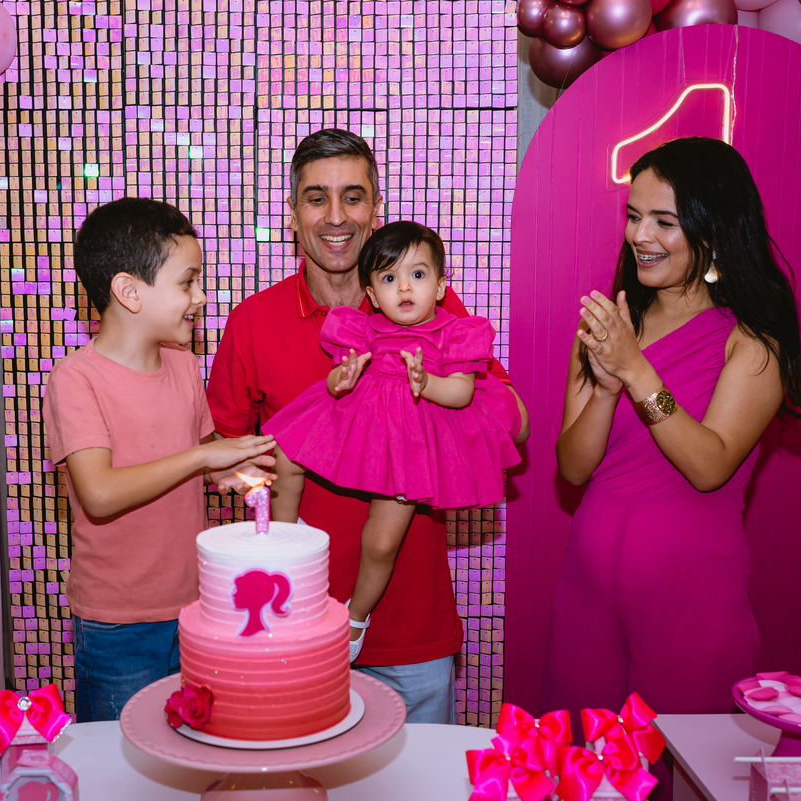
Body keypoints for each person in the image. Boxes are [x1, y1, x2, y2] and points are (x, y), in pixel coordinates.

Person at [207, 129, 529, 722]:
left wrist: (438, 393)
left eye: (353, 197)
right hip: (292, 624)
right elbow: (220, 447)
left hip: (410, 636)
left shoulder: (433, 313)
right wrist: (247, 471)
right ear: (292, 212)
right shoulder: (253, 321)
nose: (336, 216)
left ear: (375, 206)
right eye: (316, 198)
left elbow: (514, 422)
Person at [543, 137, 801, 725]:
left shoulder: (752, 338)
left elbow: (709, 464)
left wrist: (635, 369)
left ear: (710, 229)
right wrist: (608, 384)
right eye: (634, 217)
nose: (641, 236)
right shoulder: (611, 324)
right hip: (587, 593)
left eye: (664, 222)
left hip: (692, 599)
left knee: (682, 769)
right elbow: (572, 466)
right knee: (581, 767)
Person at [43, 198, 277, 722]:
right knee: (123, 757)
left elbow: (209, 468)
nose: (200, 297)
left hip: (194, 608)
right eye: (187, 282)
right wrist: (202, 455)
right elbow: (99, 494)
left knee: (187, 747)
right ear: (129, 292)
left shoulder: (182, 365)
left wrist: (247, 467)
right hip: (118, 623)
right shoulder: (77, 380)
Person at [263, 222, 523, 662]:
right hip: (358, 421)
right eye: (389, 278)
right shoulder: (362, 329)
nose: (404, 287)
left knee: (381, 542)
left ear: (441, 287)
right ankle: (287, 535)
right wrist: (340, 379)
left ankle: (357, 617)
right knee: (285, 450)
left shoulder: (456, 333)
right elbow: (336, 378)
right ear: (371, 292)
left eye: (418, 276)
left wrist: (427, 382)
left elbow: (461, 393)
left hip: (409, 445)